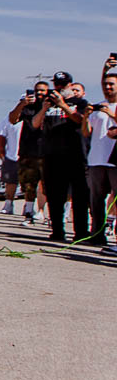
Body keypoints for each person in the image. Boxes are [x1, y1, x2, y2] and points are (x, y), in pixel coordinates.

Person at [28, 72, 91, 244]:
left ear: (70, 85)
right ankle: (57, 230)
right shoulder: (47, 102)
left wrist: (63, 105)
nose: (59, 88)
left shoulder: (80, 103)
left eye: (62, 85)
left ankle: (81, 232)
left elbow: (79, 120)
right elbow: (34, 124)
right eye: (56, 84)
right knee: (55, 196)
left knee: (79, 196)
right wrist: (44, 108)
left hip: (75, 155)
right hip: (51, 155)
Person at [8, 83, 50, 225]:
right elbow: (12, 119)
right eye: (37, 91)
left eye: (42, 91)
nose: (39, 93)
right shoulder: (27, 108)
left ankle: (45, 213)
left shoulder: (51, 107)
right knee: (28, 185)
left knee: (47, 185)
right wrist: (21, 104)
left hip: (46, 151)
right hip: (28, 150)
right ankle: (29, 213)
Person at [84, 71, 115, 251]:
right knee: (96, 199)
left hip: (114, 161)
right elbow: (86, 132)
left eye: (111, 84)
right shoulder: (98, 108)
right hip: (96, 159)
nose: (108, 87)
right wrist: (87, 116)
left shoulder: (112, 108)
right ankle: (97, 234)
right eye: (106, 84)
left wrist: (111, 113)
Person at [0, 106, 25, 216]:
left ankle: (29, 206)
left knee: (29, 184)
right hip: (12, 156)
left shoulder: (34, 116)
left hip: (29, 156)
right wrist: (2, 150)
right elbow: (1, 134)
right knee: (10, 182)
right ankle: (8, 203)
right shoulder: (9, 118)